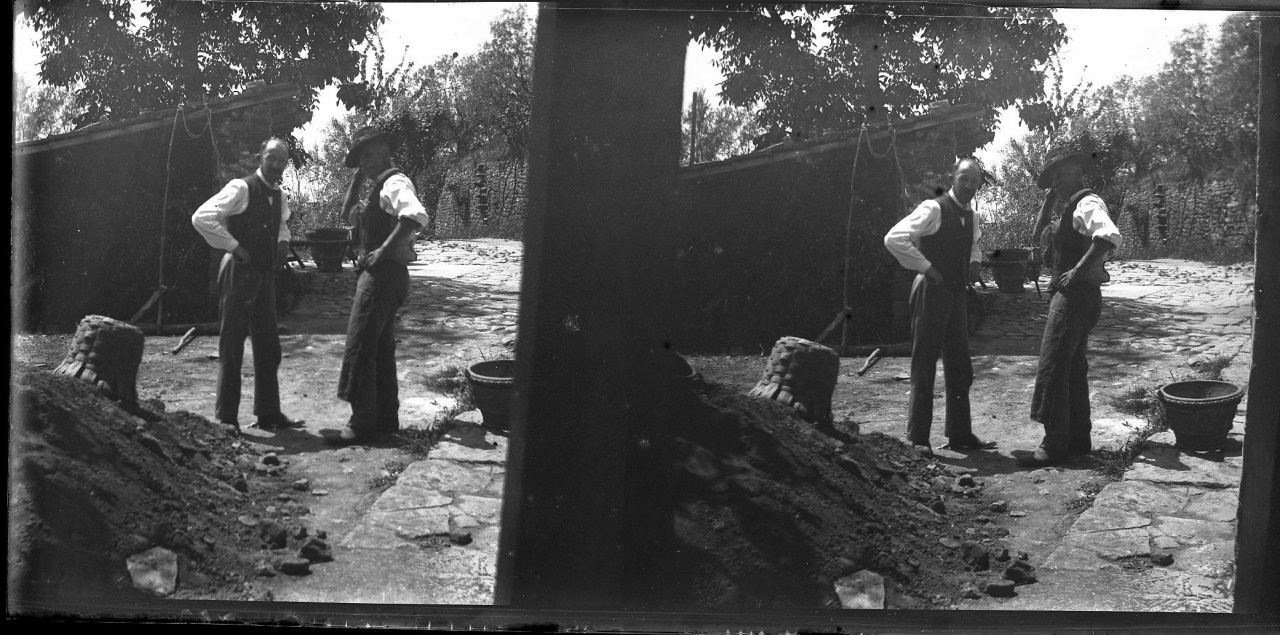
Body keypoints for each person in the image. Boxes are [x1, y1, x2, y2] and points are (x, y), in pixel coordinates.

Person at [1015, 146, 1124, 467]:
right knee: (1074, 369)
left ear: (1078, 171)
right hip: (1072, 298)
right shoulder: (1068, 209)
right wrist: (1049, 198)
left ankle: (1054, 445)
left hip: (1076, 298)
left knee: (1053, 366)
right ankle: (1078, 440)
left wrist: (1076, 271)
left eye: (1060, 174)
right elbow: (1038, 235)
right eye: (1052, 177)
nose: (1057, 182)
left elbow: (1108, 235)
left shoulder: (1087, 203)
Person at [322, 126, 430, 446]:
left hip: (383, 276)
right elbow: (347, 214)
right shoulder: (376, 191)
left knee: (360, 343)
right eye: (359, 158)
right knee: (381, 347)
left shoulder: (394, 183)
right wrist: (357, 176)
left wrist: (382, 250)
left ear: (384, 150)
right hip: (384, 277)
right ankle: (386, 418)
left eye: (368, 155)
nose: (364, 162)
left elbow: (414, 215)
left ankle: (361, 422)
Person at [884, 157, 997, 456]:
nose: (970, 185)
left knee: (960, 365)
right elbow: (894, 238)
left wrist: (974, 263)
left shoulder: (972, 217)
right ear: (953, 177)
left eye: (975, 181)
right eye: (965, 178)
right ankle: (918, 438)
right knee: (925, 364)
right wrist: (926, 268)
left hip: (956, 295)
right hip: (930, 291)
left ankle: (960, 434)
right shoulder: (933, 208)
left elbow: (974, 243)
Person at [191, 138, 305, 434]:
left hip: (264, 275)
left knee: (268, 344)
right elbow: (202, 217)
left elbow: (282, 224)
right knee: (232, 345)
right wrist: (234, 247)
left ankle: (268, 412)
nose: (276, 165)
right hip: (239, 271)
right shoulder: (241, 188)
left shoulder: (279, 195)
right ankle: (226, 418)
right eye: (271, 158)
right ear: (260, 156)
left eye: (282, 160)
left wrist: (282, 242)